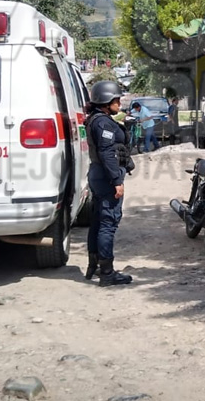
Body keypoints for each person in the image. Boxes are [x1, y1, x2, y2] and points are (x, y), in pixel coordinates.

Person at [84, 80, 134, 286]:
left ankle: (94, 265)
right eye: (116, 99)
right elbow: (106, 152)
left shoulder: (99, 119)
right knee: (108, 223)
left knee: (98, 221)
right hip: (106, 178)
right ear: (106, 101)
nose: (119, 103)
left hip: (98, 175)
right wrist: (116, 181)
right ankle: (107, 272)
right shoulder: (103, 123)